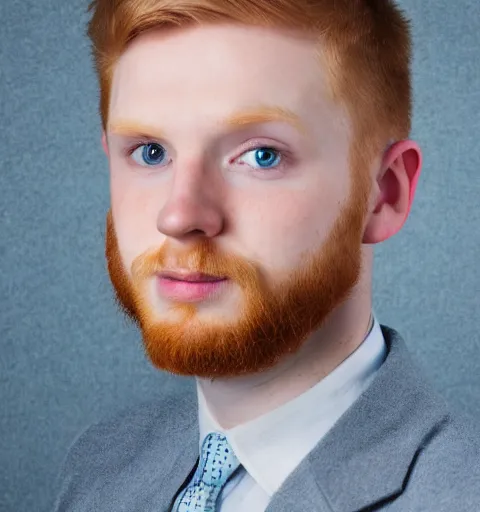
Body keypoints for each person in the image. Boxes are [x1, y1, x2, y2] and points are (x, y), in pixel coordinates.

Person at [53, 1, 480, 510]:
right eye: (150, 151)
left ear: (383, 193)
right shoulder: (99, 469)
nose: (179, 216)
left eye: (262, 155)